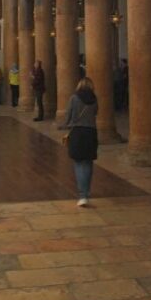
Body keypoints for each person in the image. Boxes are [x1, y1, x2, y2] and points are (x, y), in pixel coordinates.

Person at [64, 77, 99, 207]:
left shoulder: (74, 98)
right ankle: (87, 191)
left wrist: (66, 125)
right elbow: (96, 113)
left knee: (78, 163)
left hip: (77, 132)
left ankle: (82, 195)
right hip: (91, 132)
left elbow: (69, 116)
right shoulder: (94, 99)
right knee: (88, 162)